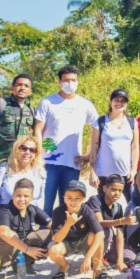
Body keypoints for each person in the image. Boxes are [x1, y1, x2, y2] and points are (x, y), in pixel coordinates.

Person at [33, 66, 99, 214]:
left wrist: (89, 155)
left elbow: (97, 128)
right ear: (59, 81)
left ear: (78, 81)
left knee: (69, 204)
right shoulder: (47, 102)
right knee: (45, 203)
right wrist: (38, 155)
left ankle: (64, 233)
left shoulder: (85, 105)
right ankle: (44, 233)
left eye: (73, 80)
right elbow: (38, 129)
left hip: (72, 162)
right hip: (48, 162)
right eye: (66, 80)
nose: (70, 83)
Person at [47, 180, 106, 279]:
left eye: (77, 198)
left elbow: (100, 233)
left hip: (84, 241)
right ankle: (63, 266)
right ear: (64, 197)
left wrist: (87, 258)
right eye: (69, 198)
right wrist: (68, 224)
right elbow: (56, 239)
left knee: (97, 236)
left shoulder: (86, 210)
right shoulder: (58, 211)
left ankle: (97, 269)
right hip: (66, 243)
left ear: (83, 199)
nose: (73, 202)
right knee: (53, 250)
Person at [0, 178, 51, 277]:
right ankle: (2, 267)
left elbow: (54, 226)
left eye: (26, 196)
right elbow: (3, 233)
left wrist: (51, 245)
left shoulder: (33, 210)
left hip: (21, 251)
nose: (22, 199)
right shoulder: (5, 211)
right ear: (13, 195)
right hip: (2, 250)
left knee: (49, 233)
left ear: (32, 198)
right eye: (18, 195)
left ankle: (26, 263)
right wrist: (27, 249)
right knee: (9, 235)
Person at [88, 89, 140, 195]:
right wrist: (92, 172)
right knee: (103, 206)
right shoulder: (100, 122)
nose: (119, 103)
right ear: (111, 102)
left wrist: (134, 170)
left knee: (131, 206)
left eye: (123, 101)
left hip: (126, 174)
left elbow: (135, 147)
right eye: (117, 100)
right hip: (104, 173)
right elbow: (94, 148)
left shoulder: (132, 122)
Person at [87, 174, 137, 272]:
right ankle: (96, 260)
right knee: (106, 232)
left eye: (120, 191)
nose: (117, 193)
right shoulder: (95, 200)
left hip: (106, 243)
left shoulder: (117, 207)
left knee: (130, 256)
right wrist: (122, 220)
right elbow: (99, 223)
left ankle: (105, 257)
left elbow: (119, 234)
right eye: (114, 189)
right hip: (89, 239)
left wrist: (120, 261)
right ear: (105, 189)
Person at [0, 135, 46, 210]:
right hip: (4, 217)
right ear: (16, 150)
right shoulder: (4, 171)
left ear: (36, 154)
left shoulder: (40, 173)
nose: (27, 152)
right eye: (24, 148)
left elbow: (40, 202)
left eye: (32, 150)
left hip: (29, 218)